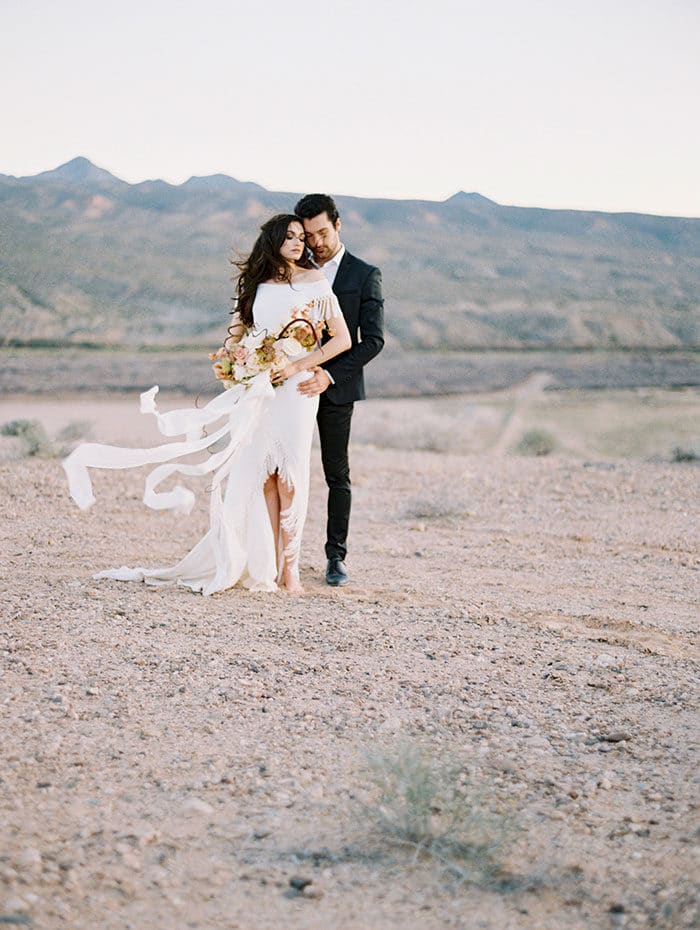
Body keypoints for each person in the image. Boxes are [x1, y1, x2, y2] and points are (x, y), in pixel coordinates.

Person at [63, 214, 351, 595]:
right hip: (258, 389)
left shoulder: (315, 282)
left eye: (301, 237)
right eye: (290, 237)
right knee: (263, 475)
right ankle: (270, 564)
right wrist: (234, 361)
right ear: (273, 242)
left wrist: (299, 365)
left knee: (291, 477)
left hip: (297, 390)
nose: (298, 243)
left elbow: (341, 340)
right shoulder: (254, 286)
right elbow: (235, 335)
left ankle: (292, 570)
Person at [293, 194, 384, 586]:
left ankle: (336, 558)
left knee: (336, 475)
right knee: (283, 470)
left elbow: (373, 341)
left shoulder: (364, 274)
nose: (316, 242)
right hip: (292, 387)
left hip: (337, 389)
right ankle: (282, 554)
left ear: (339, 225)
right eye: (309, 234)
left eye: (323, 232)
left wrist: (329, 376)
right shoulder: (291, 269)